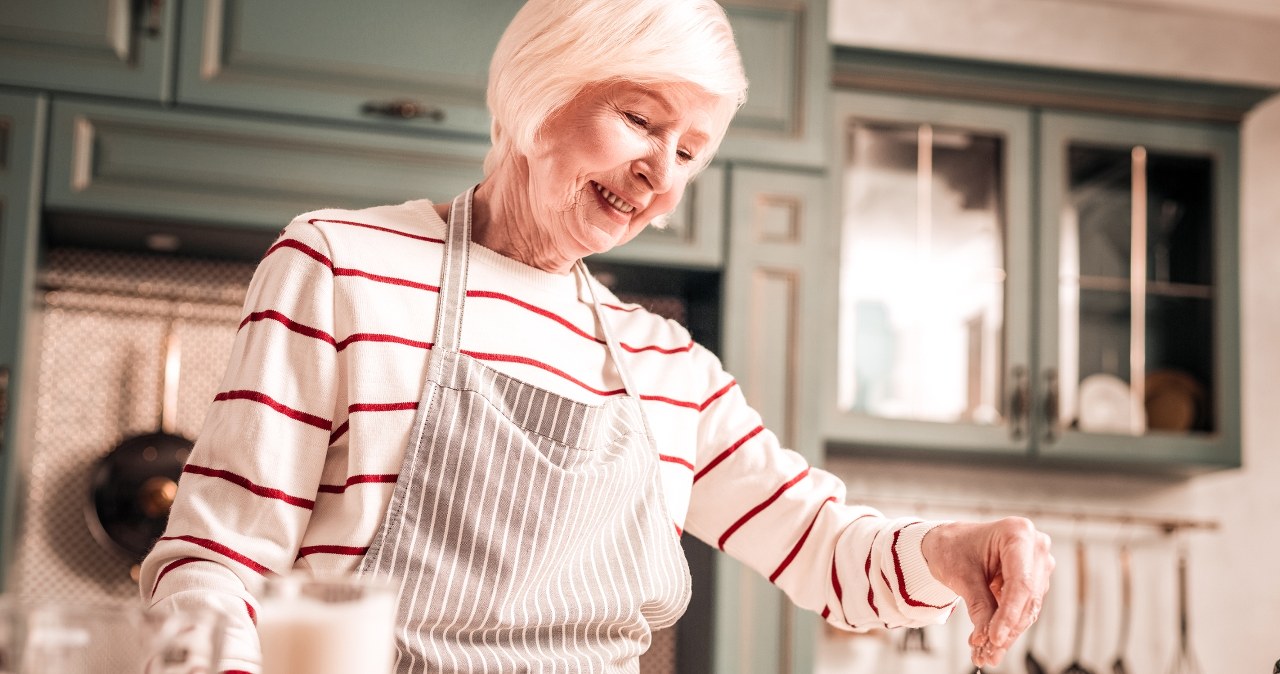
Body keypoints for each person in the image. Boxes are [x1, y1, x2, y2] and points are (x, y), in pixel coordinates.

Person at [140, 0, 1054, 671]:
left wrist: (949, 551)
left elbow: (822, 547)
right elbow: (217, 567)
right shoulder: (341, 266)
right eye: (640, 120)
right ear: (537, 94)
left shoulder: (666, 365)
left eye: (689, 152)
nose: (661, 175)